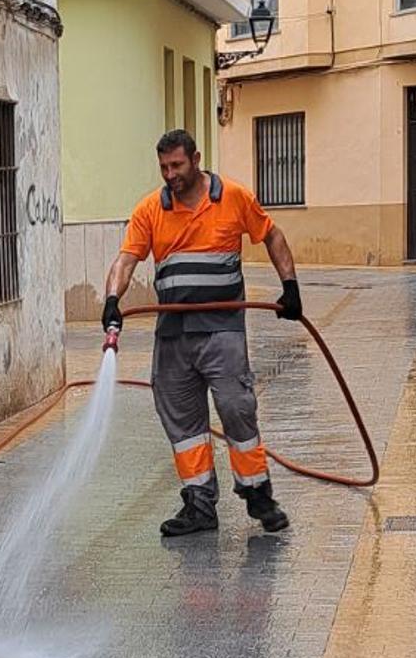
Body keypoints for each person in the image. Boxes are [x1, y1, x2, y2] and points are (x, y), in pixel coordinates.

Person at [102, 129, 302, 537]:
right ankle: (198, 504)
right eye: (163, 167)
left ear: (195, 159)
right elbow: (126, 260)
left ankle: (257, 494)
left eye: (176, 165)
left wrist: (291, 287)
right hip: (173, 335)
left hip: (222, 329)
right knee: (183, 421)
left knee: (236, 408)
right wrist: (111, 299)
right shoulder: (150, 209)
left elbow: (273, 235)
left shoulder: (233, 197)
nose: (170, 174)